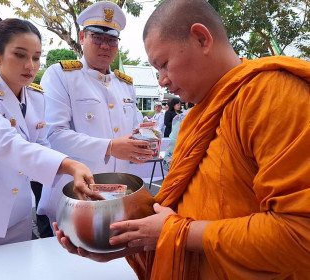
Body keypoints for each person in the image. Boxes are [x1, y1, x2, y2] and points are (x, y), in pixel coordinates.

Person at [54, 0, 310, 279]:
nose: (162, 81)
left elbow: (301, 235)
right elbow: (178, 213)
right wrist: (117, 243)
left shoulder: (274, 95)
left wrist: (177, 233)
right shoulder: (197, 117)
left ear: (202, 39)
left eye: (163, 65)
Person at [0, 18, 100, 248]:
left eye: (36, 57)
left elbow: (42, 145)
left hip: (20, 209)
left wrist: (75, 186)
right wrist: (70, 165)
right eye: (20, 55)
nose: (30, 65)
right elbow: (6, 143)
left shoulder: (35, 96)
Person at [38, 1, 153, 224]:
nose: (105, 46)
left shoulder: (125, 84)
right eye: (97, 38)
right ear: (82, 37)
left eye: (112, 40)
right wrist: (109, 147)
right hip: (73, 197)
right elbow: (53, 136)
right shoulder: (61, 75)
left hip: (119, 195)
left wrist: (142, 143)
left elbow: (135, 127)